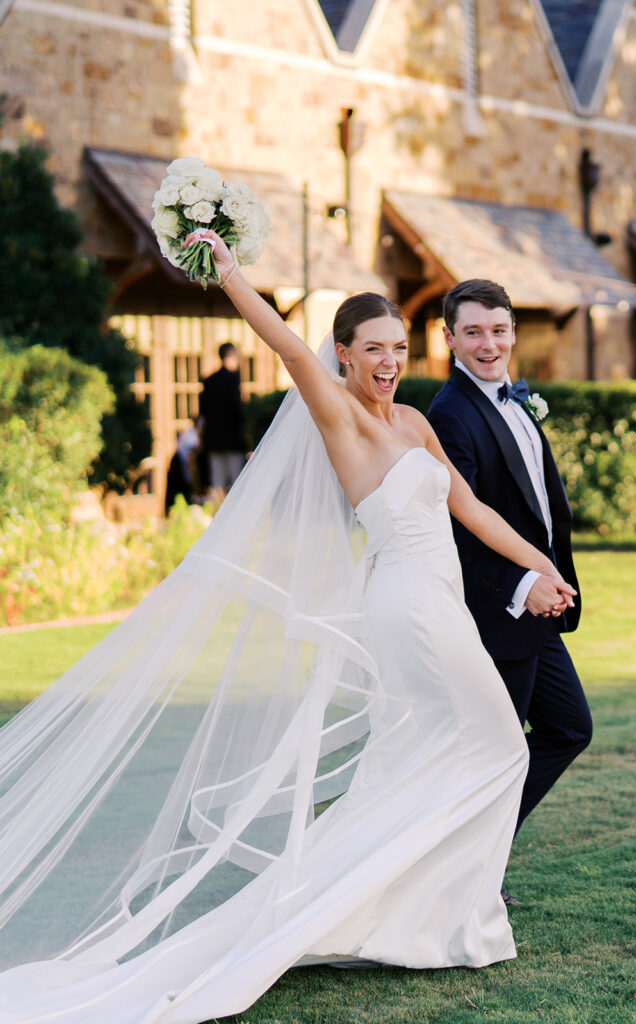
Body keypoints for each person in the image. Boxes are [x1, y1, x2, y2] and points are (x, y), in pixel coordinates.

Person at [0, 237, 577, 1023]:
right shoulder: (337, 411)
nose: (388, 362)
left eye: (397, 349)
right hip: (407, 604)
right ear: (342, 355)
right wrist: (231, 272)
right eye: (372, 350)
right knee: (499, 746)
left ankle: (411, 913)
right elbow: (278, 338)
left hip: (438, 597)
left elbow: (472, 510)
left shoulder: (412, 420)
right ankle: (438, 915)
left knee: (435, 756)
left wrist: (542, 568)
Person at [427, 279, 592, 902]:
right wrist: (525, 583)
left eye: (498, 330)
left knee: (568, 728)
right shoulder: (449, 414)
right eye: (473, 331)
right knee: (497, 750)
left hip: (537, 612)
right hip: (501, 611)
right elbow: (458, 528)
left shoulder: (513, 400)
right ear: (449, 338)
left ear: (513, 332)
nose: (488, 343)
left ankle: (473, 863)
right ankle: (463, 876)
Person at [199, 342, 246, 494]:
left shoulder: (210, 380)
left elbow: (203, 413)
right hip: (232, 437)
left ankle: (217, 514)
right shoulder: (232, 380)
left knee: (216, 480)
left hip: (213, 438)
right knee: (236, 480)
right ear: (230, 355)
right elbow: (236, 408)